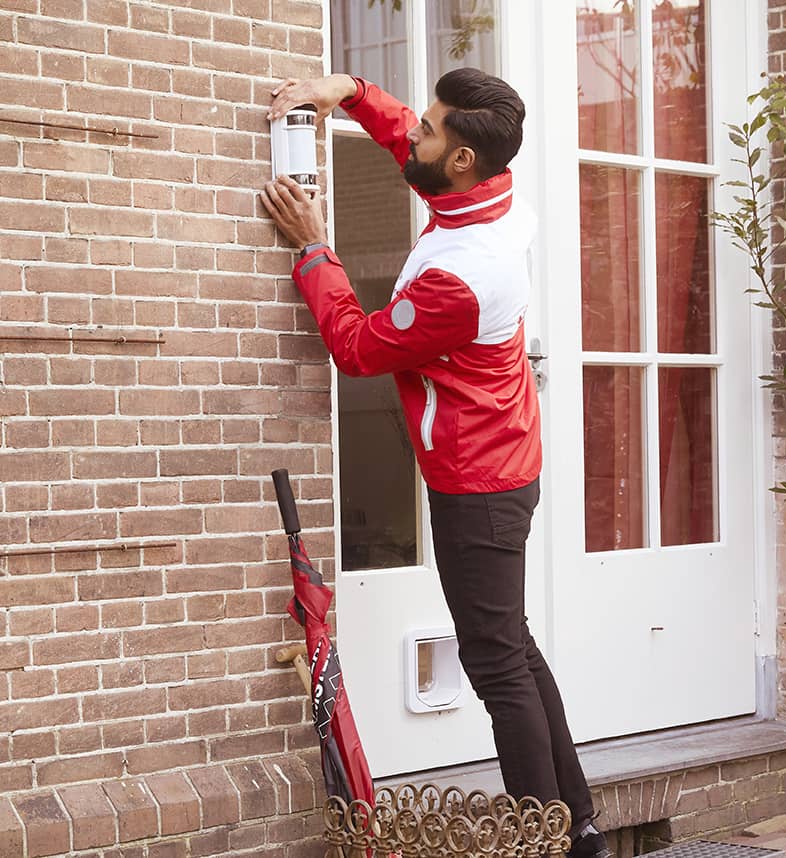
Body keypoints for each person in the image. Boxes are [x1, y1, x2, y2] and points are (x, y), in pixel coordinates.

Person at [260, 69, 609, 858]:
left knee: (495, 666)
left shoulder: (463, 275)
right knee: (511, 645)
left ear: (462, 159)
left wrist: (315, 246)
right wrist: (345, 90)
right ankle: (575, 825)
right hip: (506, 461)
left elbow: (355, 347)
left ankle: (543, 841)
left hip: (478, 486)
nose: (413, 133)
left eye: (431, 129)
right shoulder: (489, 193)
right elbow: (411, 150)